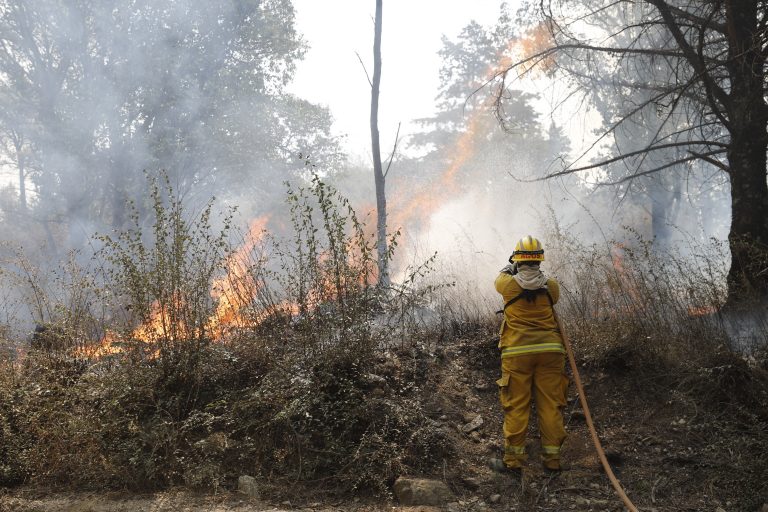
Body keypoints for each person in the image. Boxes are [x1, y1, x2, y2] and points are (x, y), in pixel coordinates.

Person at [490, 235, 568, 474]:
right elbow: (552, 298)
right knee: (550, 406)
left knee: (517, 406)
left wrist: (510, 265)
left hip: (517, 353)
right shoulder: (551, 286)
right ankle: (552, 462)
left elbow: (500, 276)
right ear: (540, 261)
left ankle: (513, 463)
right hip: (551, 353)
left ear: (518, 260)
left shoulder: (508, 284)